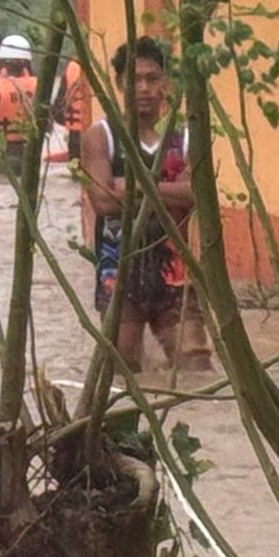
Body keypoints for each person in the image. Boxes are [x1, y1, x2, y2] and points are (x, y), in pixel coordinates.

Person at [79, 35, 196, 371]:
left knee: (196, 370)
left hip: (174, 271)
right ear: (119, 85)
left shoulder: (184, 137)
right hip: (119, 271)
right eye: (134, 80)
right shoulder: (102, 136)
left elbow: (197, 195)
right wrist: (170, 190)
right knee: (121, 374)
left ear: (165, 83)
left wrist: (126, 186)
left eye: (152, 78)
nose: (144, 88)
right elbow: (102, 200)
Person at [0, 35, 46, 184]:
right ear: (27, 62)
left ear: (2, 61)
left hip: (4, 155)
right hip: (31, 157)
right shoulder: (40, 87)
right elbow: (49, 125)